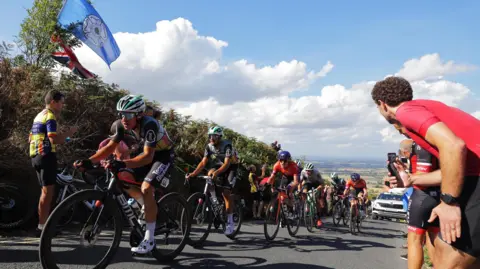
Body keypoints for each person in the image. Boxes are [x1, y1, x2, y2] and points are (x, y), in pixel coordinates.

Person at [372, 76, 480, 268]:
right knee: (442, 248)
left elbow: (454, 146)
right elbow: (453, 168)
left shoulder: (406, 111)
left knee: (451, 263)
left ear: (382, 105)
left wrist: (448, 203)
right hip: (473, 176)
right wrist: (412, 179)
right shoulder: (423, 108)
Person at [74, 94, 175, 254]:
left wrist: (122, 162)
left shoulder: (150, 125)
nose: (123, 118)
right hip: (145, 153)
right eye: (121, 114)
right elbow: (108, 147)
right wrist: (89, 161)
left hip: (162, 156)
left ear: (139, 115)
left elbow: (149, 157)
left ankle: (149, 239)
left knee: (147, 187)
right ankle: (144, 204)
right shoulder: (120, 125)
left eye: (128, 114)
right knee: (122, 176)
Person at [29, 90, 77, 236]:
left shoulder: (39, 116)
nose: (62, 105)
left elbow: (30, 137)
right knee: (47, 193)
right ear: (53, 102)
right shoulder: (50, 117)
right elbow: (54, 139)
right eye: (61, 102)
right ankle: (42, 228)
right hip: (45, 156)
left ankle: (42, 226)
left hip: (35, 155)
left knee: (46, 192)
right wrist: (70, 133)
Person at [186, 126, 240, 235]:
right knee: (209, 174)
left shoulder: (227, 145)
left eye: (214, 136)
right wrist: (193, 173)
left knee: (226, 193)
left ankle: (230, 222)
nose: (211, 138)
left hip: (231, 167)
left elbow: (227, 164)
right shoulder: (209, 146)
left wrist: (217, 172)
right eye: (210, 136)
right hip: (219, 165)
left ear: (219, 137)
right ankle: (214, 200)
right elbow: (203, 162)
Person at [267, 151, 300, 218]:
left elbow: (296, 181)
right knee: (280, 193)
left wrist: (290, 188)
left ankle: (293, 209)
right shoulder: (277, 165)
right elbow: (272, 177)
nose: (282, 163)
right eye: (281, 160)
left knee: (289, 191)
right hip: (285, 177)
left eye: (285, 161)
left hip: (294, 178)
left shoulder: (293, 166)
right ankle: (280, 209)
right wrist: (268, 184)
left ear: (288, 161)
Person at [299, 162, 325, 228]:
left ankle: (319, 219)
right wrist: (299, 190)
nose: (308, 172)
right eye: (307, 170)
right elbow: (300, 182)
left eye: (309, 171)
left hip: (316, 184)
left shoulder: (316, 173)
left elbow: (322, 184)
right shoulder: (303, 172)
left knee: (317, 200)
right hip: (308, 183)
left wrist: (319, 191)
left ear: (312, 170)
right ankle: (306, 204)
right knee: (304, 191)